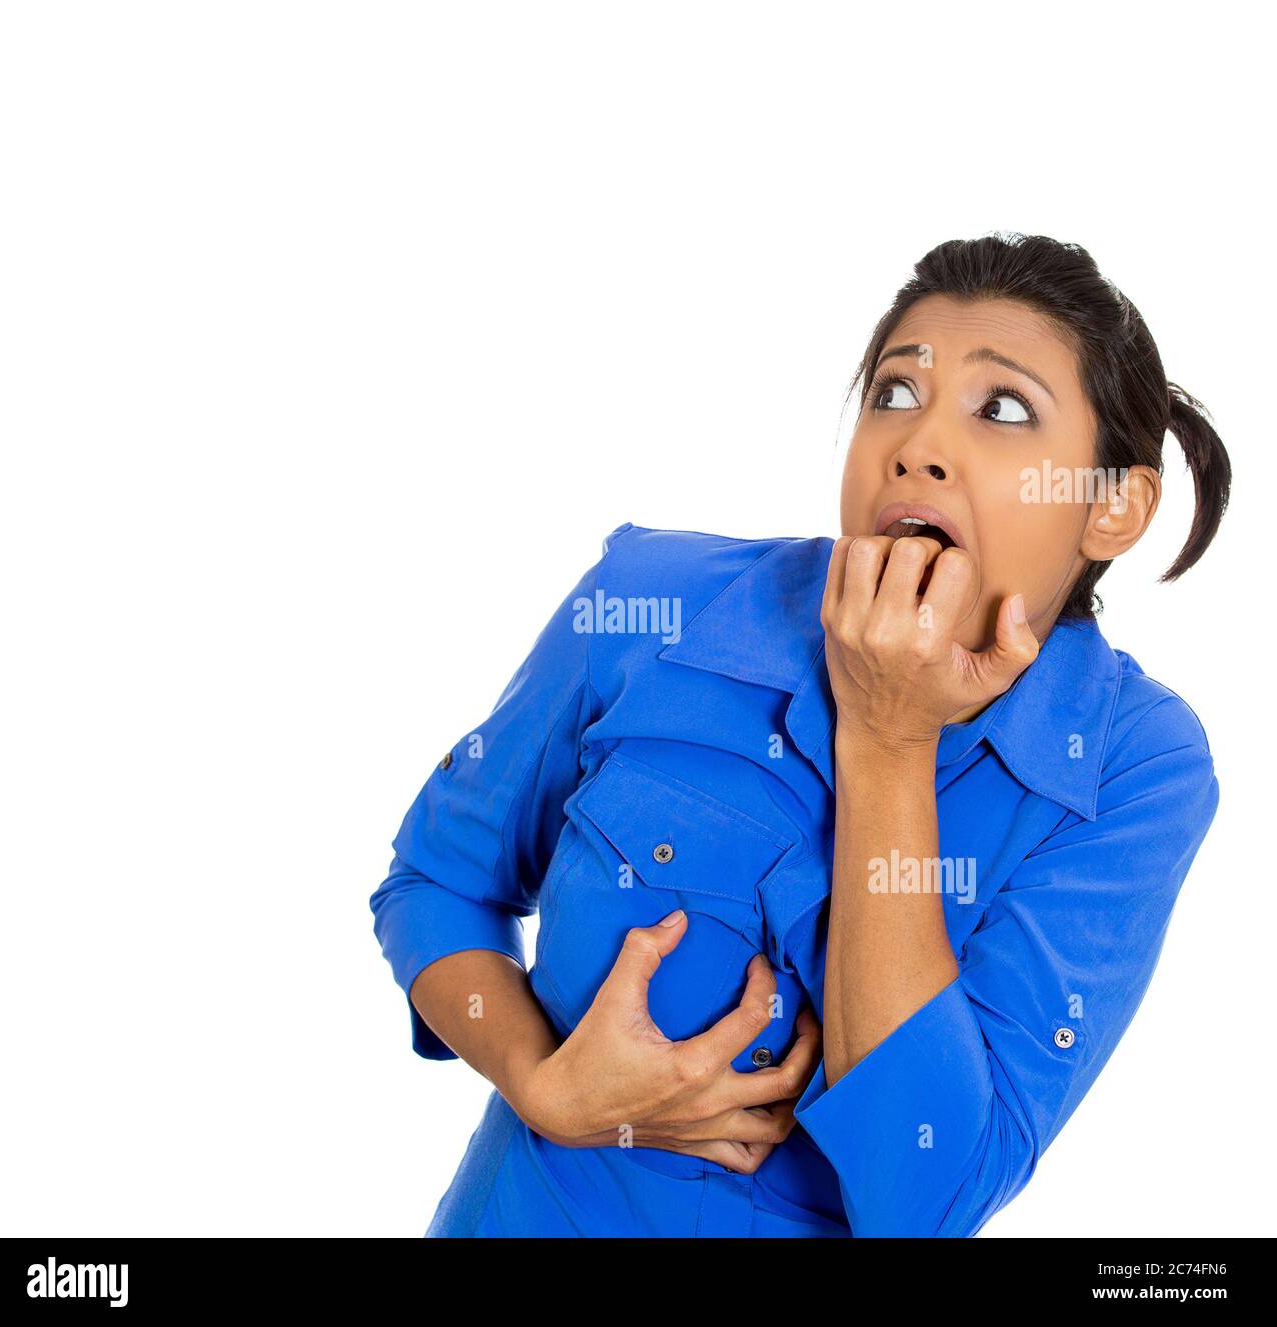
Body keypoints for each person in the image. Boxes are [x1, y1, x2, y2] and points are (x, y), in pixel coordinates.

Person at [370, 233, 1230, 1236]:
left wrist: (888, 741)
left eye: (1002, 410)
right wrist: (540, 1081)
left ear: (1113, 507)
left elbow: (922, 1195)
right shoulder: (651, 600)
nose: (916, 444)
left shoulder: (1137, 766)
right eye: (893, 394)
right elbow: (434, 883)